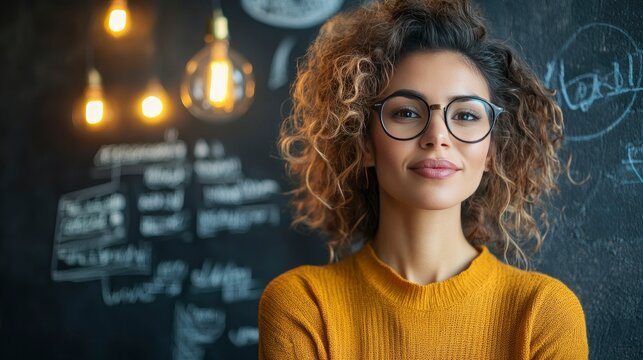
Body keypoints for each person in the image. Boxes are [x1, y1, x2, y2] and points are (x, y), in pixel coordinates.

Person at [258, 0, 589, 358]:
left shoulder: (543, 313)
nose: (437, 136)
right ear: (364, 143)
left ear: (492, 150)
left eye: (465, 115)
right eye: (406, 112)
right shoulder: (303, 306)